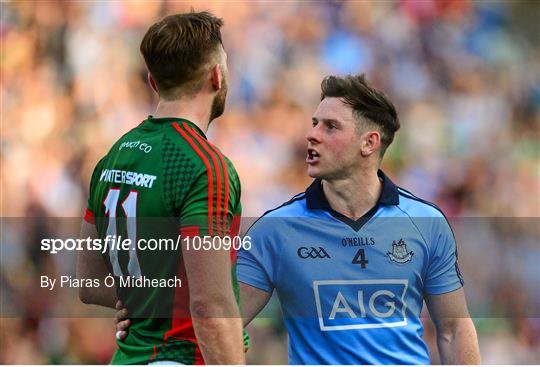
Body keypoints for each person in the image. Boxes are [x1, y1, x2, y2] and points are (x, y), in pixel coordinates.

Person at [116, 74, 481, 364]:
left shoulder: (425, 222)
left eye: (330, 127)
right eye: (314, 123)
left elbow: (452, 328)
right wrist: (151, 314)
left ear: (369, 143)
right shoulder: (275, 231)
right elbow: (221, 314)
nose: (312, 134)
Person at [77, 12, 246, 365]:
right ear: (216, 76)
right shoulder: (205, 166)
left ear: (153, 82)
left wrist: (135, 302)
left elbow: (89, 282)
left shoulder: (114, 156)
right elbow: (210, 305)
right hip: (178, 356)